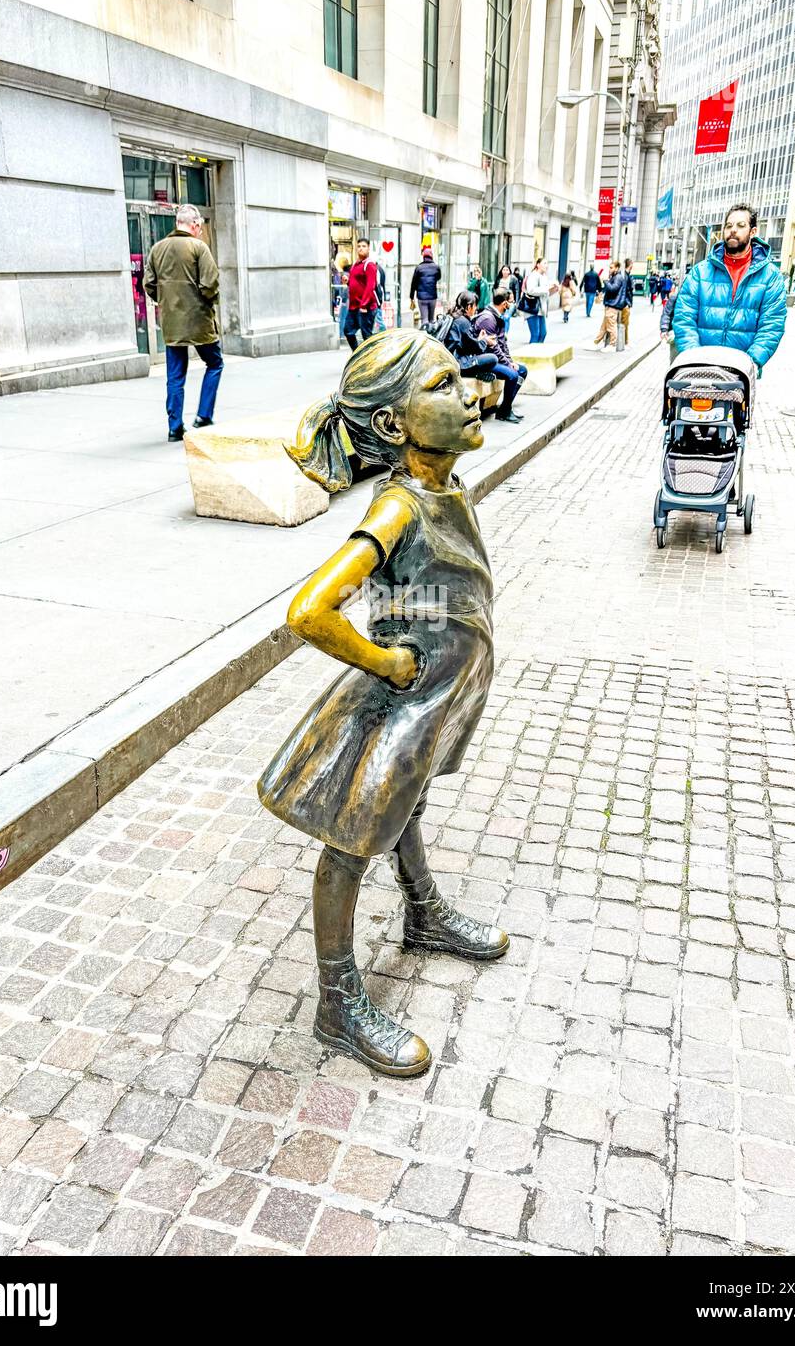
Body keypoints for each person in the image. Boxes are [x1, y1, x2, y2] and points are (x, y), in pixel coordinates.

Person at [258, 330, 509, 1077]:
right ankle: (337, 1001)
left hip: (441, 690)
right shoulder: (400, 507)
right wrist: (383, 661)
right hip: (406, 696)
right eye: (440, 385)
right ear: (395, 425)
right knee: (351, 841)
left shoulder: (444, 486)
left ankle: (423, 913)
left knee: (403, 808)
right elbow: (310, 609)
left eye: (461, 377)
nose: (467, 392)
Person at [672, 202, 788, 367]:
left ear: (753, 232)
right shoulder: (700, 272)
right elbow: (684, 317)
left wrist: (751, 362)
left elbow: (772, 324)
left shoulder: (771, 276)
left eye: (741, 225)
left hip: (741, 372)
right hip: (698, 368)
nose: (733, 230)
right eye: (728, 225)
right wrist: (693, 358)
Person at [143, 204, 223, 443]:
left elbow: (148, 284)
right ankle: (204, 415)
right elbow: (210, 283)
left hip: (172, 322)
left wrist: (166, 302)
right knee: (215, 363)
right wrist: (207, 302)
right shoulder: (199, 248)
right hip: (199, 320)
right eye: (199, 227)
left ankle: (174, 427)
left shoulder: (157, 249)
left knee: (175, 375)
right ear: (195, 224)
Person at [474, 289, 529, 422]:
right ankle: (504, 411)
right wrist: (509, 365)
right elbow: (494, 348)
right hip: (484, 361)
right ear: (504, 304)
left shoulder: (497, 317)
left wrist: (510, 362)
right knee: (513, 375)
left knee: (522, 370)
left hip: (493, 359)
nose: (512, 305)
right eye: (511, 302)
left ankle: (505, 409)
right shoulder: (488, 319)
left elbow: (502, 344)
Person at [444, 291, 497, 378]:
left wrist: (480, 340)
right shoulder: (463, 321)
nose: (476, 308)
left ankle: (478, 374)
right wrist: (485, 341)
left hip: (452, 359)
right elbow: (471, 347)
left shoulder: (455, 317)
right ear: (469, 307)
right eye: (475, 305)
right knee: (493, 359)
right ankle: (474, 374)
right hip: (459, 363)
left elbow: (467, 343)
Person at [344, 238, 379, 351]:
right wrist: (348, 281)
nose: (361, 248)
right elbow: (357, 284)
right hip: (354, 307)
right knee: (348, 331)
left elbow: (370, 286)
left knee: (367, 336)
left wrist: (364, 305)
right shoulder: (355, 265)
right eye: (359, 246)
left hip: (365, 308)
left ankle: (372, 360)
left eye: (364, 246)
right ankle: (358, 355)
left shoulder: (369, 265)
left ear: (368, 248)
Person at [592, 260, 628, 349]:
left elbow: (613, 289)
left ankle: (612, 345)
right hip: (610, 304)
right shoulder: (615, 277)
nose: (610, 269)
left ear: (617, 268)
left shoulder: (618, 277)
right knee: (604, 326)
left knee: (611, 326)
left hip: (613, 304)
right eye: (610, 267)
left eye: (611, 267)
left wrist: (606, 281)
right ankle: (596, 343)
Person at [523, 257, 556, 342]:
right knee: (535, 334)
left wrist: (554, 289)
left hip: (541, 310)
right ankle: (531, 354)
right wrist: (547, 288)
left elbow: (546, 293)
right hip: (532, 308)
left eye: (547, 263)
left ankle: (538, 353)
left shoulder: (544, 276)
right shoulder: (533, 275)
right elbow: (531, 290)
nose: (547, 266)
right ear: (538, 265)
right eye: (544, 263)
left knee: (543, 333)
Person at [409, 247, 441, 326]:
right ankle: (431, 335)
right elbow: (438, 277)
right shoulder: (436, 267)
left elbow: (413, 283)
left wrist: (411, 296)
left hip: (422, 298)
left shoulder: (419, 268)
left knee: (424, 319)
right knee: (431, 319)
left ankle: (424, 334)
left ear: (423, 257)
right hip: (432, 296)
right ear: (431, 256)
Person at [494, 264, 517, 331]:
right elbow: (494, 289)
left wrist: (515, 302)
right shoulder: (498, 279)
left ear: (509, 271)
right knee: (500, 317)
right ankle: (501, 332)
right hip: (500, 301)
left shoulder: (513, 279)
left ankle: (505, 334)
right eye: (504, 270)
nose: (505, 271)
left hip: (509, 302)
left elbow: (517, 290)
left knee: (506, 317)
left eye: (507, 270)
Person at [620, 258, 635, 346]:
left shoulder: (627, 275)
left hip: (625, 303)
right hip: (625, 304)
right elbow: (625, 290)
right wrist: (626, 303)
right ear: (630, 265)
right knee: (625, 323)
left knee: (625, 323)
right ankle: (625, 342)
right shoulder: (625, 276)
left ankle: (625, 341)